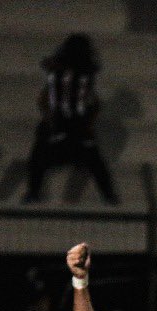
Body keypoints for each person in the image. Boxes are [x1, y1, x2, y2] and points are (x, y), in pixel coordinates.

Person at [24, 34, 119, 206]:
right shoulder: (84, 73)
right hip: (76, 126)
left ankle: (33, 193)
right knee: (95, 163)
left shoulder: (58, 71)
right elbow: (91, 100)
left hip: (63, 126)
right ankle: (109, 197)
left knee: (38, 158)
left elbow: (45, 97)